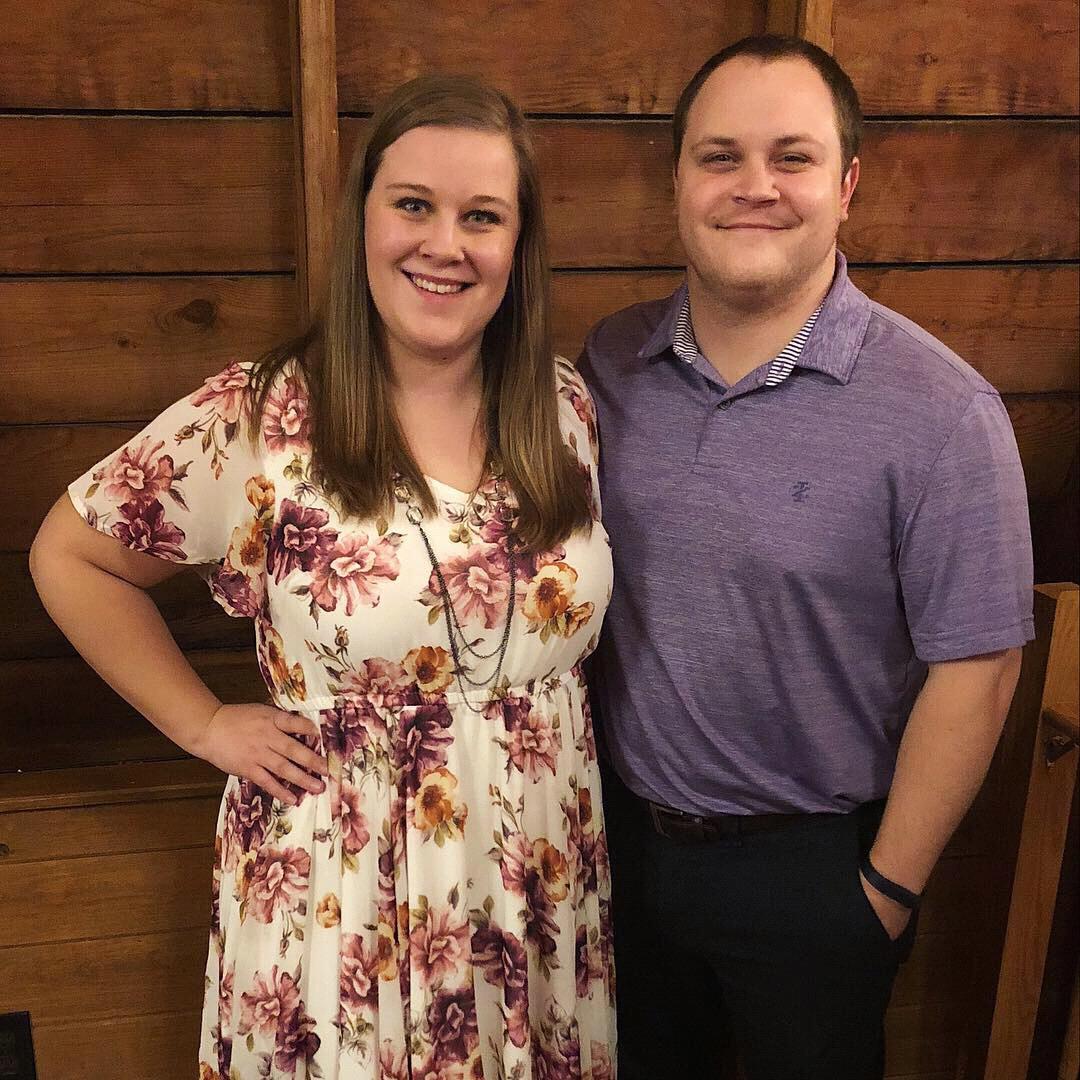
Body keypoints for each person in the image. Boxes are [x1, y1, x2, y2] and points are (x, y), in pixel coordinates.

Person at [31, 75, 615, 1080]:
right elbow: (72, 555)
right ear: (363, 221)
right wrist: (202, 724)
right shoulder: (260, 417)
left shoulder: (563, 410)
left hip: (537, 880)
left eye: (482, 216)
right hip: (344, 893)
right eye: (413, 205)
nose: (445, 244)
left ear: (518, 245)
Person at [578, 34, 1032, 1080]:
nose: (756, 186)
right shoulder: (609, 364)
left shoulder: (944, 413)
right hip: (621, 853)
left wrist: (886, 892)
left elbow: (981, 668)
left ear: (847, 185)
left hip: (817, 876)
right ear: (677, 181)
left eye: (793, 157)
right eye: (720, 157)